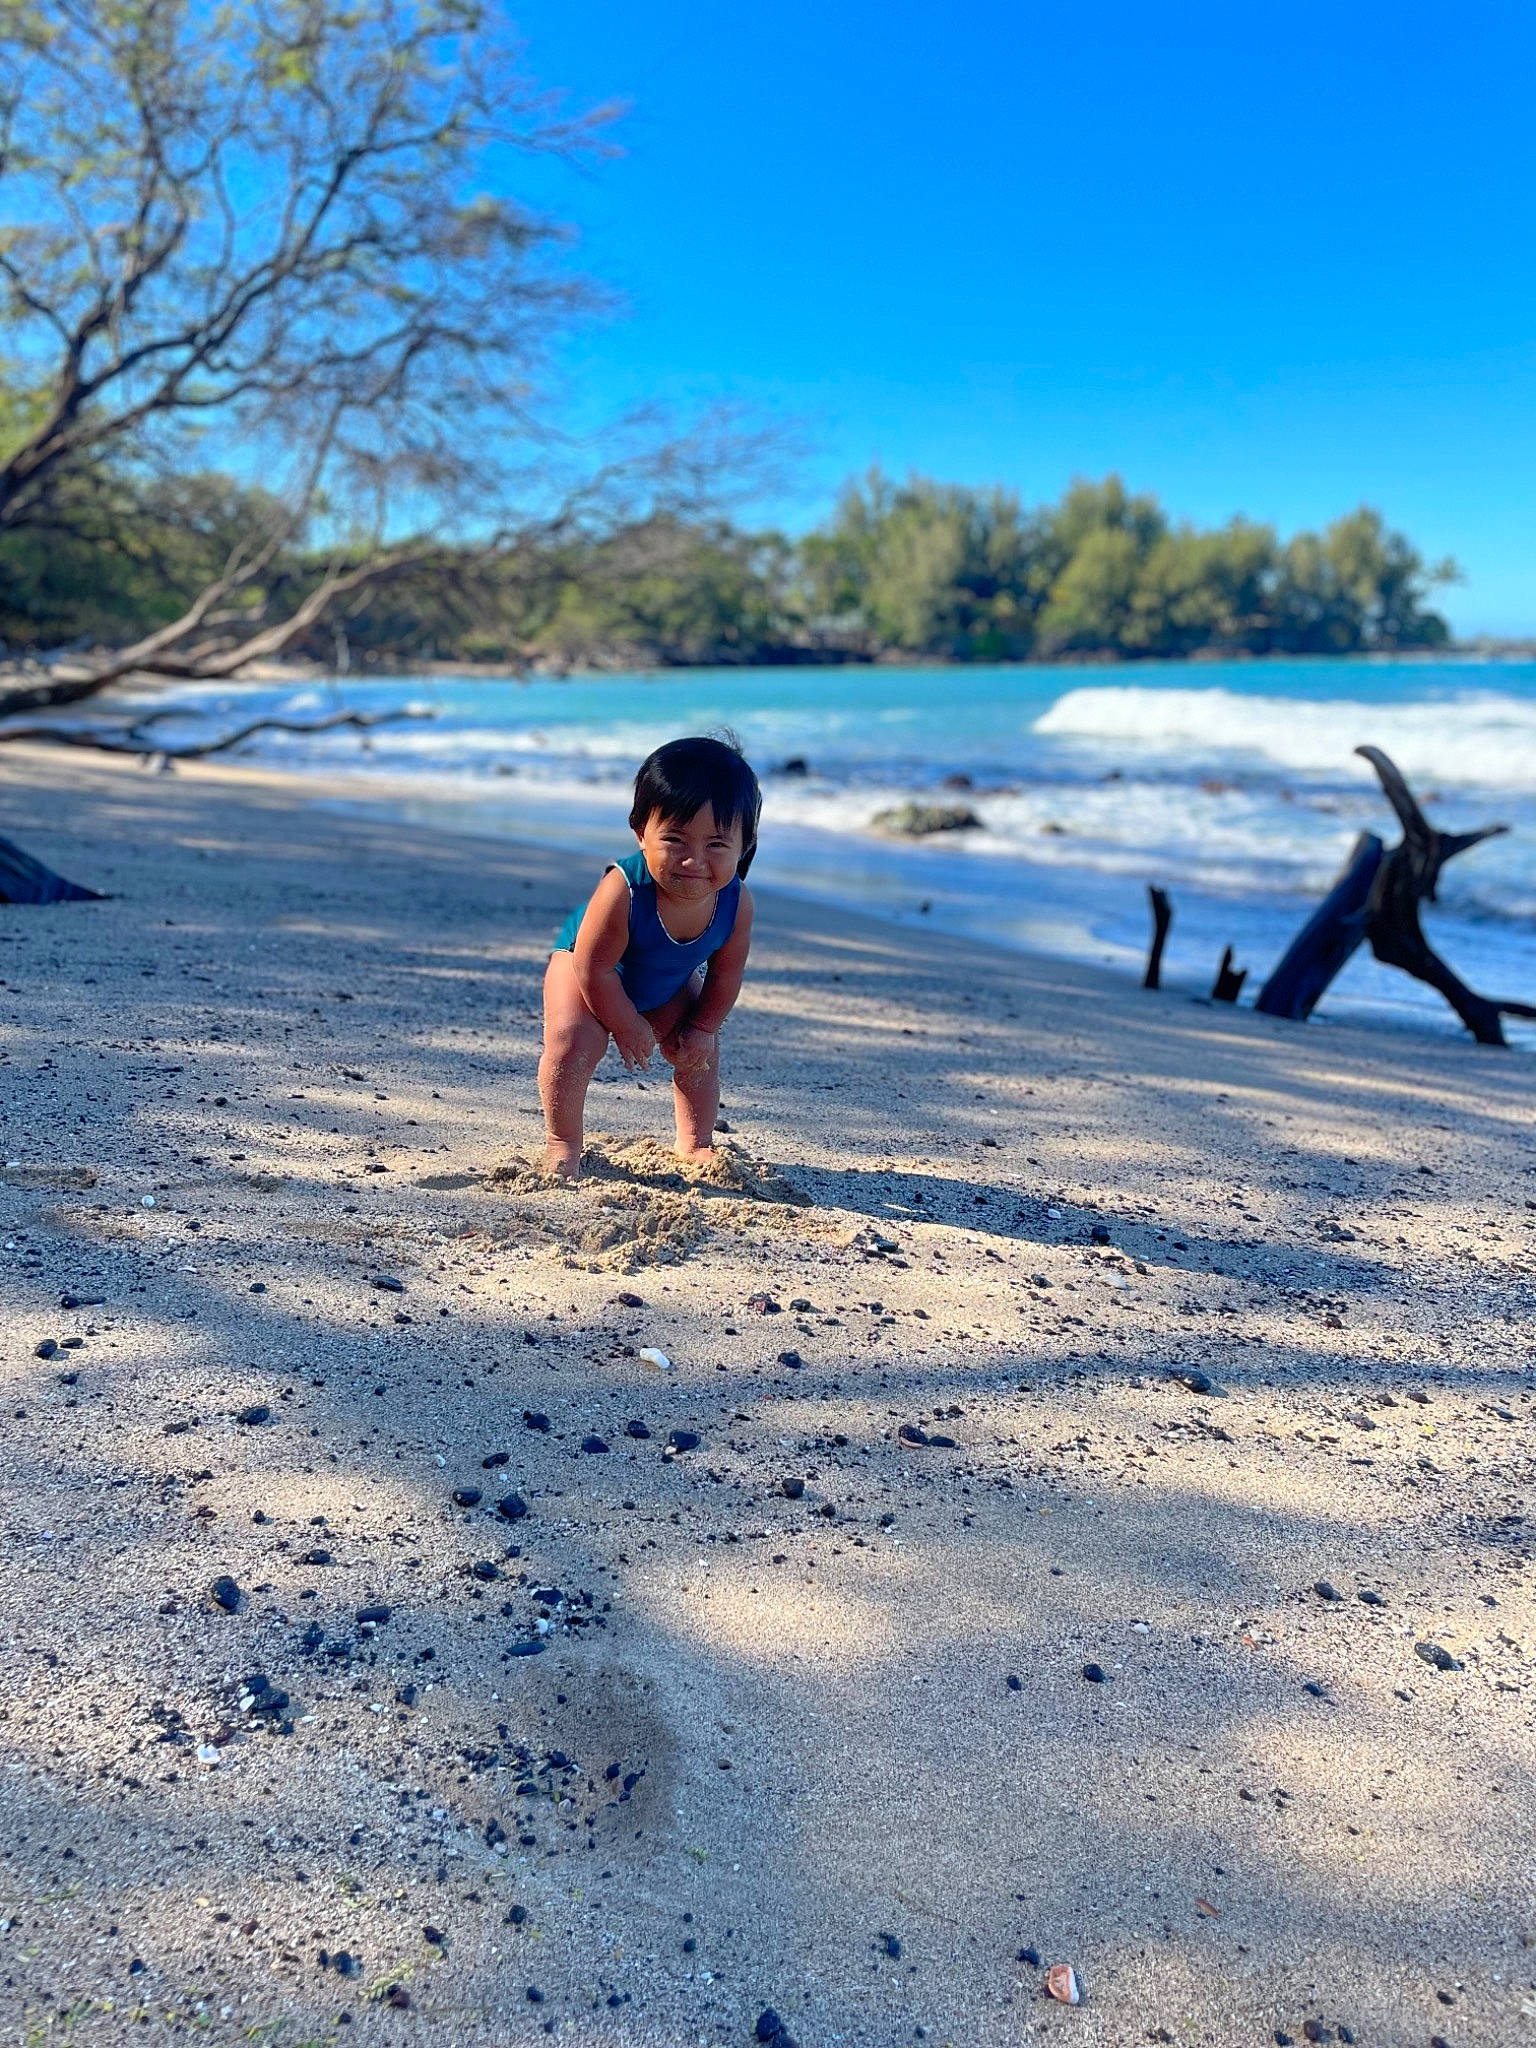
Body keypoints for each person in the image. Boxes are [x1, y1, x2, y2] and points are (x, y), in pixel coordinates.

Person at [539, 734, 760, 1179]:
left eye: (716, 844)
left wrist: (702, 1027)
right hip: (586, 968)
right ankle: (562, 1141)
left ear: (745, 844)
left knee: (699, 1050)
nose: (694, 860)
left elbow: (725, 976)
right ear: (642, 832)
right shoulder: (623, 889)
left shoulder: (736, 904)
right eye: (675, 839)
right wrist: (624, 1023)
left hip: (664, 983)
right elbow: (592, 966)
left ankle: (696, 1141)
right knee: (575, 1041)